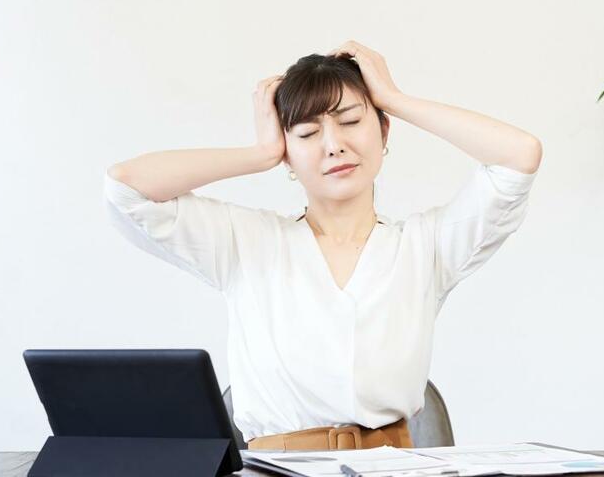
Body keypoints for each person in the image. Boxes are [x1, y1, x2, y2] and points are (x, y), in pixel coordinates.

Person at [103, 40, 543, 451]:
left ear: (383, 132)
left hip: (394, 470)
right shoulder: (246, 241)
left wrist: (393, 97)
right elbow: (128, 187)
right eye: (308, 133)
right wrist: (258, 153)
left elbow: (519, 155)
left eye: (351, 121)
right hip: (276, 470)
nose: (334, 146)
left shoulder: (425, 246)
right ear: (286, 153)